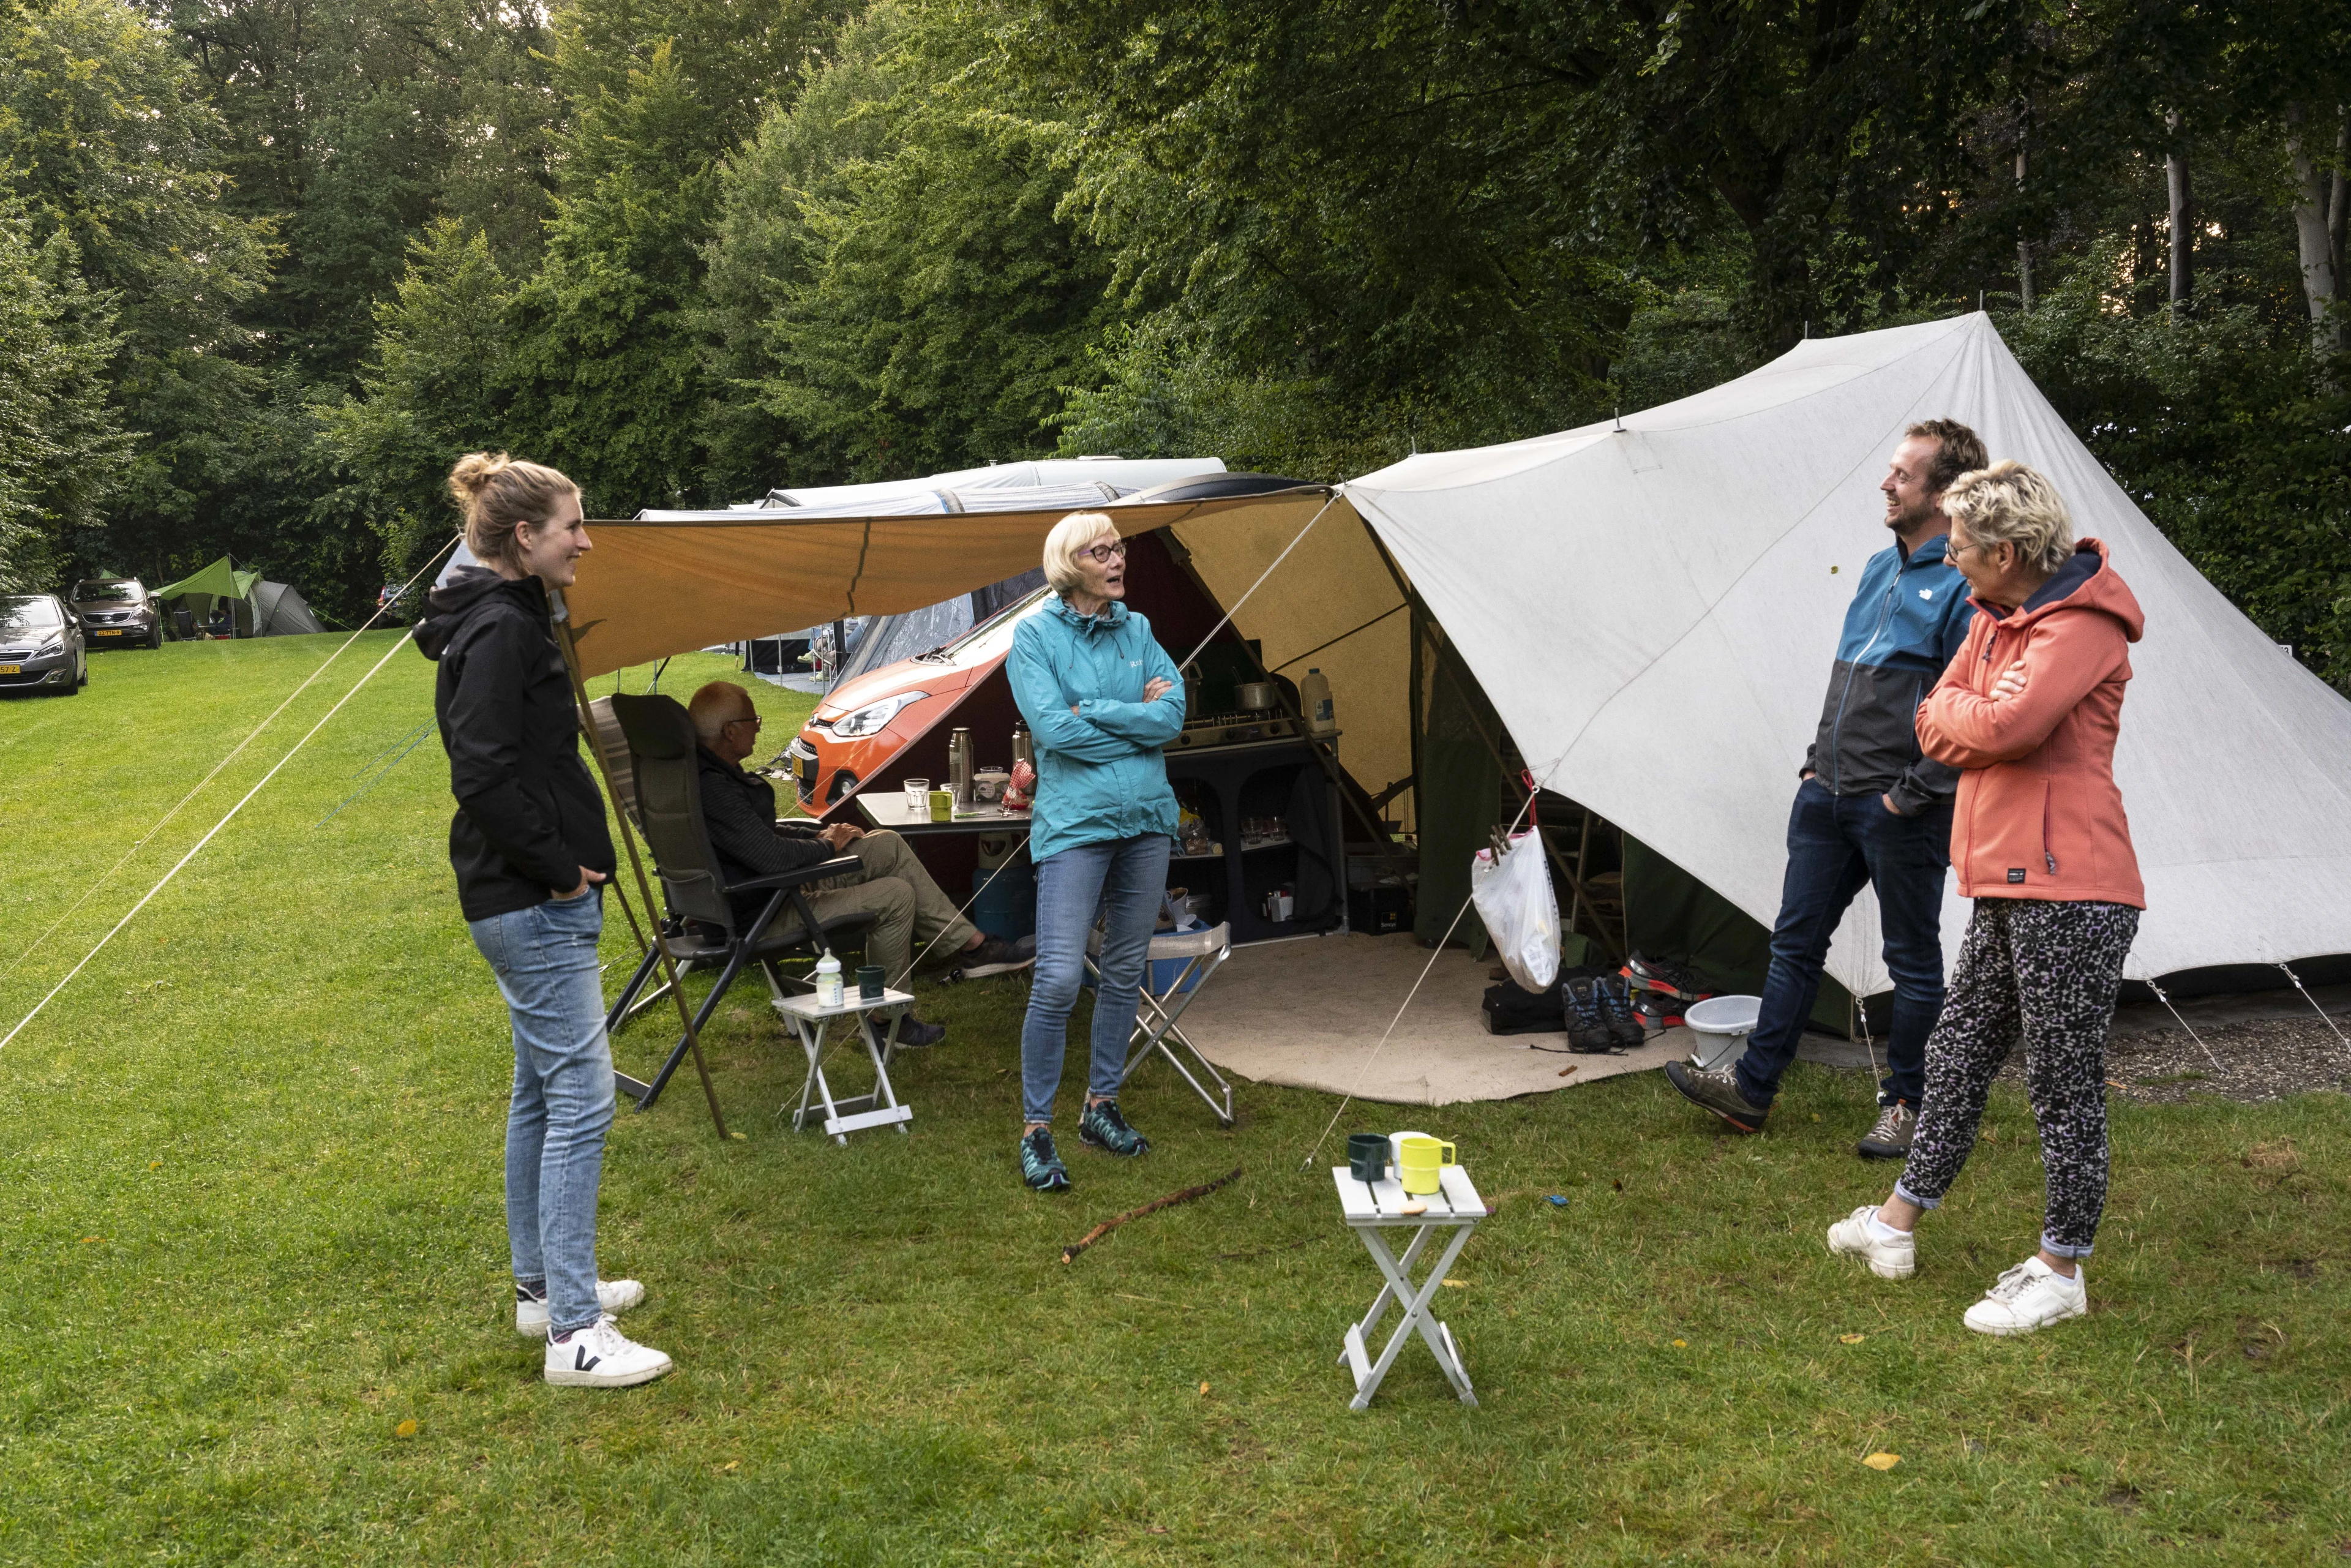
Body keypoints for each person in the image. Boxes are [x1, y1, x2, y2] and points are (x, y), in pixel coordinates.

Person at [1828, 461, 2144, 1335]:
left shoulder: (2080, 627)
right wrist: (1970, 715)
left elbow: (2007, 726)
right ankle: (1897, 1222)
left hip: (2074, 885)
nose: (1951, 555)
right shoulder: (1995, 618)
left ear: (2006, 551)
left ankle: (2061, 1267)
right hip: (2007, 875)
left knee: (2060, 1076)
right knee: (1960, 1052)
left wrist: (1973, 717)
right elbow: (1936, 715)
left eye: (1962, 543)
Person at [414, 451, 671, 1390]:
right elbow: (480, 771)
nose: (587, 542)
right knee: (583, 1101)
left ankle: (541, 1291)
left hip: (523, 897)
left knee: (539, 1092)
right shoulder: (501, 630)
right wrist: (561, 870)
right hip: (530, 901)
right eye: (574, 526)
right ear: (525, 538)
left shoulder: (504, 617)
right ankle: (574, 1333)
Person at [1667, 418, 1989, 1157]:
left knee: (1912, 964)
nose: (1886, 482)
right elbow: (1847, 678)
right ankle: (1750, 1091)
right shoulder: (1879, 569)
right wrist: (1816, 764)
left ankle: (1910, 1106)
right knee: (1793, 946)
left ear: (1941, 493)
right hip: (1827, 797)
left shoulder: (1964, 587)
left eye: (1904, 474)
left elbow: (1968, 705)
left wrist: (1913, 792)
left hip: (1898, 807)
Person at [685, 680, 1033, 1046]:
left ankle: (975, 948)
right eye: (752, 719)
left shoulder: (697, 775)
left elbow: (760, 838)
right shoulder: (716, 789)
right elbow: (772, 857)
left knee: (887, 846)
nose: (759, 726)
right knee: (895, 896)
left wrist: (816, 838)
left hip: (765, 892)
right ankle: (887, 1022)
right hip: (766, 909)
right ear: (729, 730)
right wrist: (826, 846)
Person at [1005, 511, 1185, 1191]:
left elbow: (1173, 715)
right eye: (1101, 549)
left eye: (1119, 546)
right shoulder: (1033, 636)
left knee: (1123, 969)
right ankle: (1036, 1127)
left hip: (1145, 819)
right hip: (1075, 825)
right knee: (1055, 978)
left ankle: (1100, 1106)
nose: (1118, 559)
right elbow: (1052, 729)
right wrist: (1134, 723)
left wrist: (1099, 714)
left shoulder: (1136, 629)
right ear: (1068, 563)